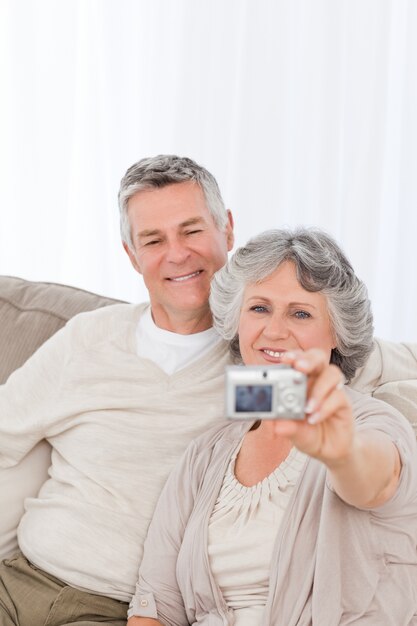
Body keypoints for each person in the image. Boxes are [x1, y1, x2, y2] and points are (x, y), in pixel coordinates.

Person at [0, 155, 415, 626]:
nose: (177, 254)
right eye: (153, 240)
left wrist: (344, 452)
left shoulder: (262, 375)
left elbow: (364, 453)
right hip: (21, 576)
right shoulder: (90, 340)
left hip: (103, 606)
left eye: (192, 231)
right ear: (131, 254)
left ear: (227, 230)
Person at [127, 228, 417, 626]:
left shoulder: (371, 421)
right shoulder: (207, 452)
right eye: (260, 308)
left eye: (300, 313)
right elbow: (155, 604)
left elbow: (375, 481)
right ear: (236, 321)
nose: (275, 330)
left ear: (335, 332)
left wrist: (342, 453)